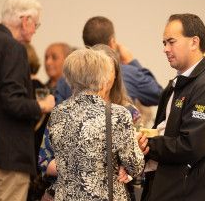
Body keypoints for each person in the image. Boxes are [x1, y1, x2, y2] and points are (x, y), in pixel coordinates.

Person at [0, 0, 55, 201]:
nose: (35, 29)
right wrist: (42, 105)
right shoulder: (13, 48)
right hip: (9, 151)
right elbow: (12, 101)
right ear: (25, 20)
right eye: (36, 24)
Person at [138, 13, 205, 200]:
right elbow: (164, 132)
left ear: (194, 42)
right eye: (164, 43)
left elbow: (191, 146)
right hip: (168, 188)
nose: (165, 49)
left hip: (192, 193)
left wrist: (148, 145)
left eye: (171, 42)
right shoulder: (176, 84)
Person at [38, 44, 142, 200]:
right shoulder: (118, 114)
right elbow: (134, 166)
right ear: (103, 77)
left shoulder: (58, 112)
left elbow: (50, 159)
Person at [55, 16, 163, 107]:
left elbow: (60, 112)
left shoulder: (67, 78)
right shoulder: (130, 73)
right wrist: (131, 61)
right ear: (112, 42)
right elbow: (159, 96)